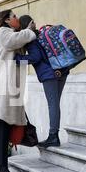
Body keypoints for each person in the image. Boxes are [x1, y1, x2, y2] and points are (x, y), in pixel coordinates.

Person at [0, 10, 37, 172]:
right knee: (3, 127)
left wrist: (31, 59)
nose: (16, 19)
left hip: (9, 87)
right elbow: (11, 42)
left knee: (1, 128)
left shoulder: (11, 34)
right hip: (3, 86)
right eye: (14, 17)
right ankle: (2, 169)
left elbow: (16, 60)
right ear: (7, 20)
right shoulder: (3, 32)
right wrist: (29, 31)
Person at [15, 16, 70, 148]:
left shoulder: (31, 39)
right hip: (61, 70)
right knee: (55, 104)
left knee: (53, 105)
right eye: (33, 21)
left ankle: (53, 136)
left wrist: (18, 60)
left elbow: (35, 57)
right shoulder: (42, 35)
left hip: (49, 74)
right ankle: (54, 134)